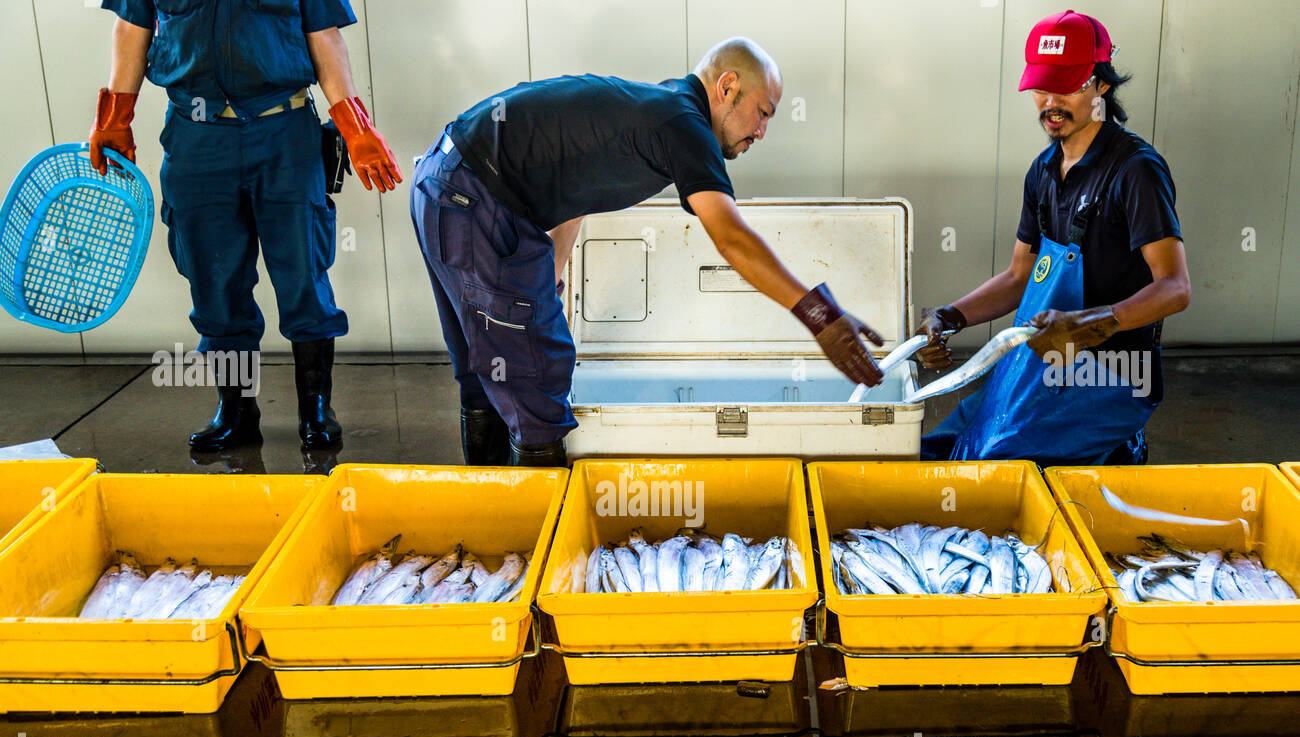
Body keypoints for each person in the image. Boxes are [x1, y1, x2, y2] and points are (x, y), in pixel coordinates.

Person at [411, 37, 887, 467]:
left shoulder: (653, 109)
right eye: (763, 112)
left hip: (448, 184)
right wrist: (819, 317)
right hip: (473, 196)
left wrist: (547, 287)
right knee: (538, 378)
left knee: (486, 372)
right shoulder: (684, 123)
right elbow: (731, 237)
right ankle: (541, 537)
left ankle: (492, 517)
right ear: (727, 86)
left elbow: (573, 197)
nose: (762, 131)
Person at [90, 1, 402, 454]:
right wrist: (114, 118)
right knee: (214, 282)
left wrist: (354, 127)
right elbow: (131, 29)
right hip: (196, 138)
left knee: (303, 276)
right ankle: (236, 411)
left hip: (284, 133)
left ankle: (315, 410)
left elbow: (325, 37)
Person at [916, 9, 1190, 466]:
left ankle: (1123, 447)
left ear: (1101, 85)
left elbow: (1175, 288)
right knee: (941, 450)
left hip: (1112, 372)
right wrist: (950, 316)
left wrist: (1094, 324)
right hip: (1042, 360)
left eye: (1066, 87)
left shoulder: (1135, 170)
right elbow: (1019, 276)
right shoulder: (1042, 171)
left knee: (998, 467)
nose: (1050, 103)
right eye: (1041, 88)